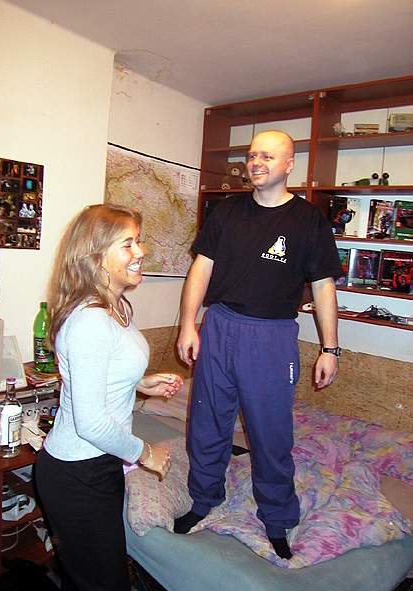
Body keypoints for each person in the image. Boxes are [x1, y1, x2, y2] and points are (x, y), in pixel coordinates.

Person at [174, 131, 342, 559]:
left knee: (270, 433)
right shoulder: (227, 211)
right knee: (207, 422)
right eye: (252, 155)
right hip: (219, 326)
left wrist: (330, 348)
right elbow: (201, 270)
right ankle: (204, 498)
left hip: (271, 336)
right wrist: (188, 325)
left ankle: (277, 516)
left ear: (289, 165)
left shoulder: (308, 221)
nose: (256, 162)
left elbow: (323, 286)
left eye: (267, 156)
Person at [34, 204, 183, 591]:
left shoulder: (115, 306)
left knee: (97, 577)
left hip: (99, 463)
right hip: (77, 472)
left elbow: (103, 372)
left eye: (139, 241)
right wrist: (146, 452)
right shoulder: (90, 321)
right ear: (95, 257)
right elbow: (91, 422)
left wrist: (140, 383)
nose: (141, 251)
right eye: (127, 244)